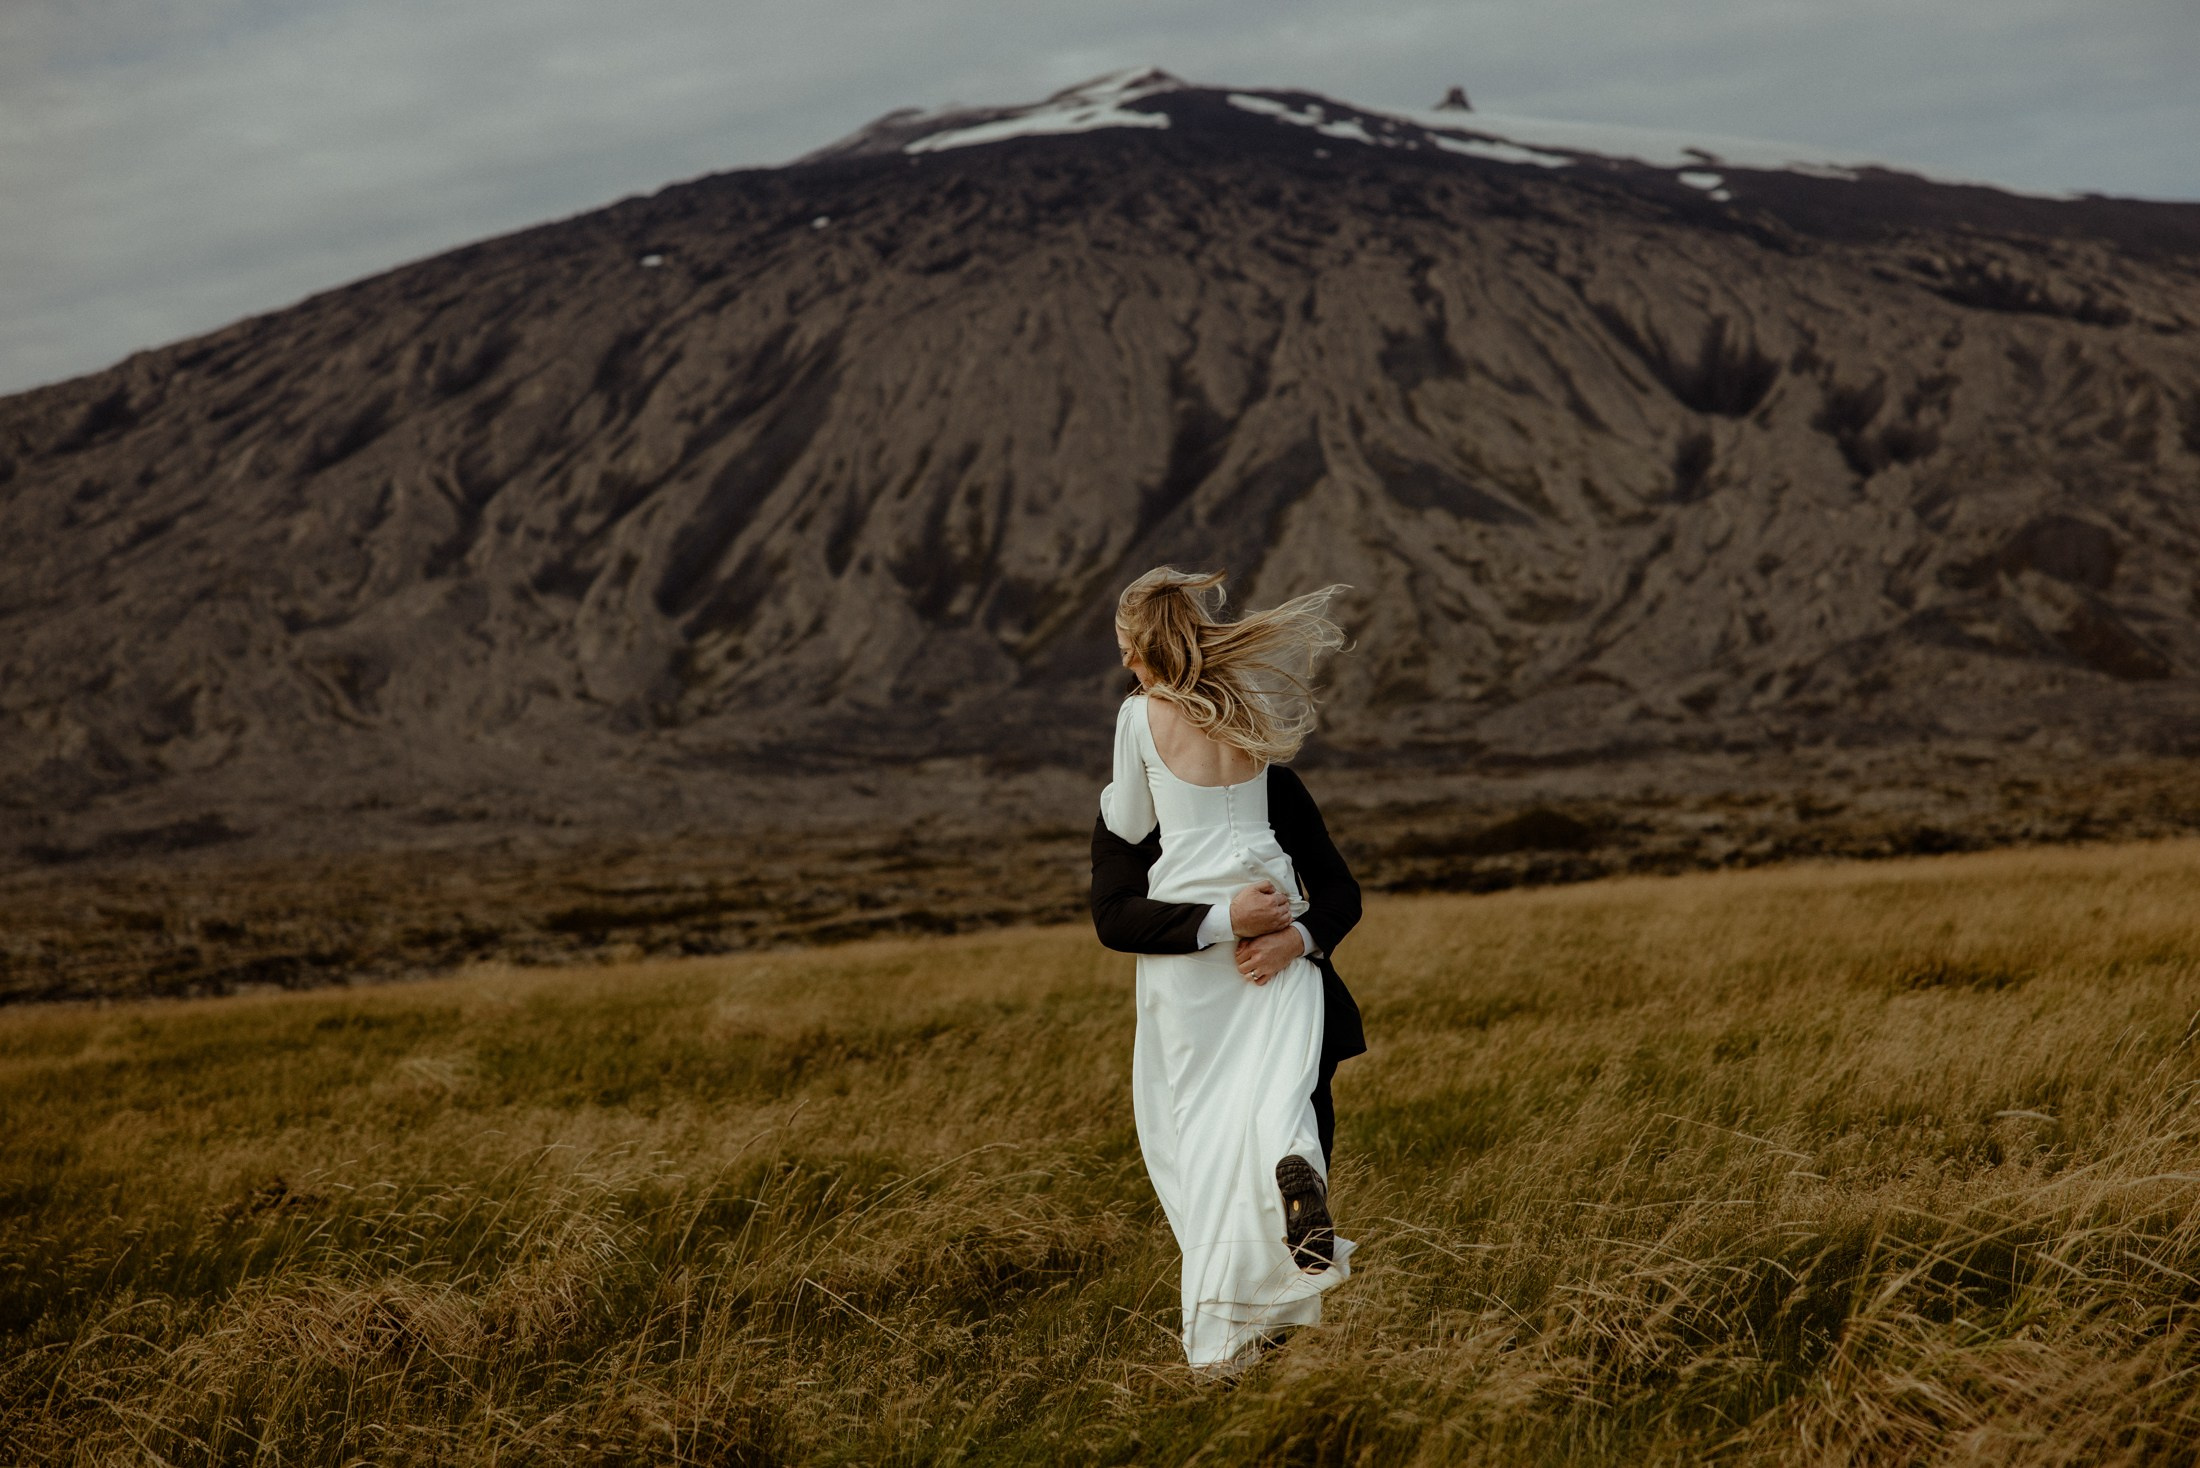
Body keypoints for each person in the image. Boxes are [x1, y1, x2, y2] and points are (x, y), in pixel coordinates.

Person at [1093, 565, 1358, 1370]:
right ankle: (1298, 1186)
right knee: (1277, 1107)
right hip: (1273, 920)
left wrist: (1118, 797)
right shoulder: (1251, 719)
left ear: (1140, 649)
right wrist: (1293, 935)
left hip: (1196, 965)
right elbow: (1330, 890)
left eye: (1124, 650)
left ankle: (1221, 1349)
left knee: (1201, 1141)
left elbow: (1132, 819)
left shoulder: (1139, 716)